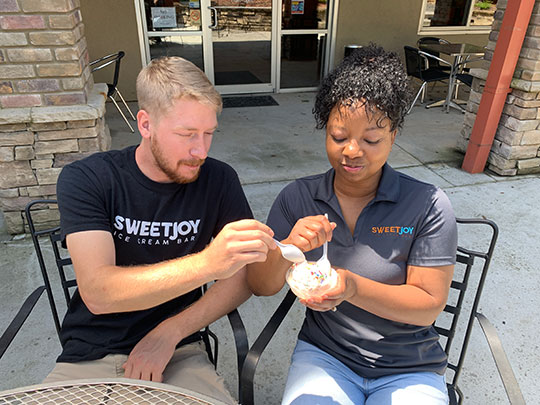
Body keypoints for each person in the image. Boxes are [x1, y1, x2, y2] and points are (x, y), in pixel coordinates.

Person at [45, 56, 275, 404]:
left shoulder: (218, 179)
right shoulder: (89, 179)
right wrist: (210, 262)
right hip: (91, 353)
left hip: (180, 350)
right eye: (186, 134)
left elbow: (242, 278)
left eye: (209, 133)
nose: (200, 150)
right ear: (146, 123)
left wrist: (170, 332)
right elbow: (98, 292)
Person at [247, 44, 458, 405]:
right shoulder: (298, 197)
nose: (352, 151)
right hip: (326, 357)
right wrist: (290, 247)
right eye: (339, 137)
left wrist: (352, 288)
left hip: (408, 367)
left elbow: (427, 305)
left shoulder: (427, 205)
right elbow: (261, 285)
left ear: (394, 135)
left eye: (371, 139)